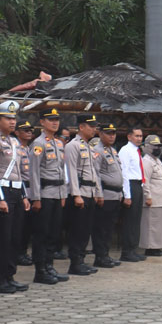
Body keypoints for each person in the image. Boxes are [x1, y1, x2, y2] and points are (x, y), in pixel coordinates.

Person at [0, 101, 30, 294]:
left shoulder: (14, 141)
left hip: (16, 192)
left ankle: (10, 276)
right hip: (2, 192)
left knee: (14, 238)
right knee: (2, 238)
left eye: (13, 118)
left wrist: (24, 195)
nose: (12, 122)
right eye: (8, 118)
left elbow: (18, 171)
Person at [29, 107, 70, 285]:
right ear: (42, 122)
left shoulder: (59, 144)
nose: (55, 122)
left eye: (57, 120)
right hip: (44, 194)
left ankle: (50, 266)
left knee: (54, 233)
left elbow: (61, 170)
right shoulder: (38, 144)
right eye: (50, 119)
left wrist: (63, 194)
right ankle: (40, 270)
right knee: (42, 234)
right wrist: (36, 197)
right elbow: (34, 172)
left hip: (57, 193)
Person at [64, 114, 102, 276]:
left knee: (86, 229)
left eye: (94, 126)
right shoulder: (73, 146)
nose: (94, 129)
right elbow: (71, 170)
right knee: (77, 230)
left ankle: (81, 260)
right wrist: (76, 194)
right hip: (79, 193)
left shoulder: (88, 146)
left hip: (89, 192)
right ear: (81, 127)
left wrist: (97, 192)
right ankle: (75, 263)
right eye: (90, 126)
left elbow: (94, 172)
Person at [90, 121, 127, 268]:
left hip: (115, 194)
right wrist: (99, 194)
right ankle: (100, 257)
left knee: (109, 228)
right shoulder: (97, 151)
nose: (112, 136)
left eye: (113, 133)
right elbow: (96, 174)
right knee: (101, 228)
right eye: (108, 133)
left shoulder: (112, 150)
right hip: (105, 194)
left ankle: (105, 255)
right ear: (100, 134)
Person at [117, 126, 146, 262]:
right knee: (129, 220)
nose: (139, 138)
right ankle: (127, 251)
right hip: (130, 186)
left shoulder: (137, 151)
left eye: (141, 136)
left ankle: (133, 249)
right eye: (137, 136)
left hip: (138, 185)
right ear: (129, 136)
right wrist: (127, 195)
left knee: (136, 219)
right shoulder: (125, 150)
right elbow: (125, 173)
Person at [140, 135, 162, 255]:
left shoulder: (157, 160)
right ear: (147, 147)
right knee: (152, 225)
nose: (157, 148)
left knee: (159, 226)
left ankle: (157, 247)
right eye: (154, 146)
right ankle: (150, 248)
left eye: (159, 146)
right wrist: (148, 196)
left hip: (161, 199)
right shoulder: (146, 161)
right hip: (153, 199)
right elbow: (145, 180)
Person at [14, 119, 38, 266]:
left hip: (32, 189)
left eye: (30, 130)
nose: (29, 133)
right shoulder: (16, 148)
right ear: (17, 132)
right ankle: (18, 253)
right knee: (20, 225)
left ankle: (23, 252)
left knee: (28, 225)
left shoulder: (30, 149)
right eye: (25, 130)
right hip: (21, 189)